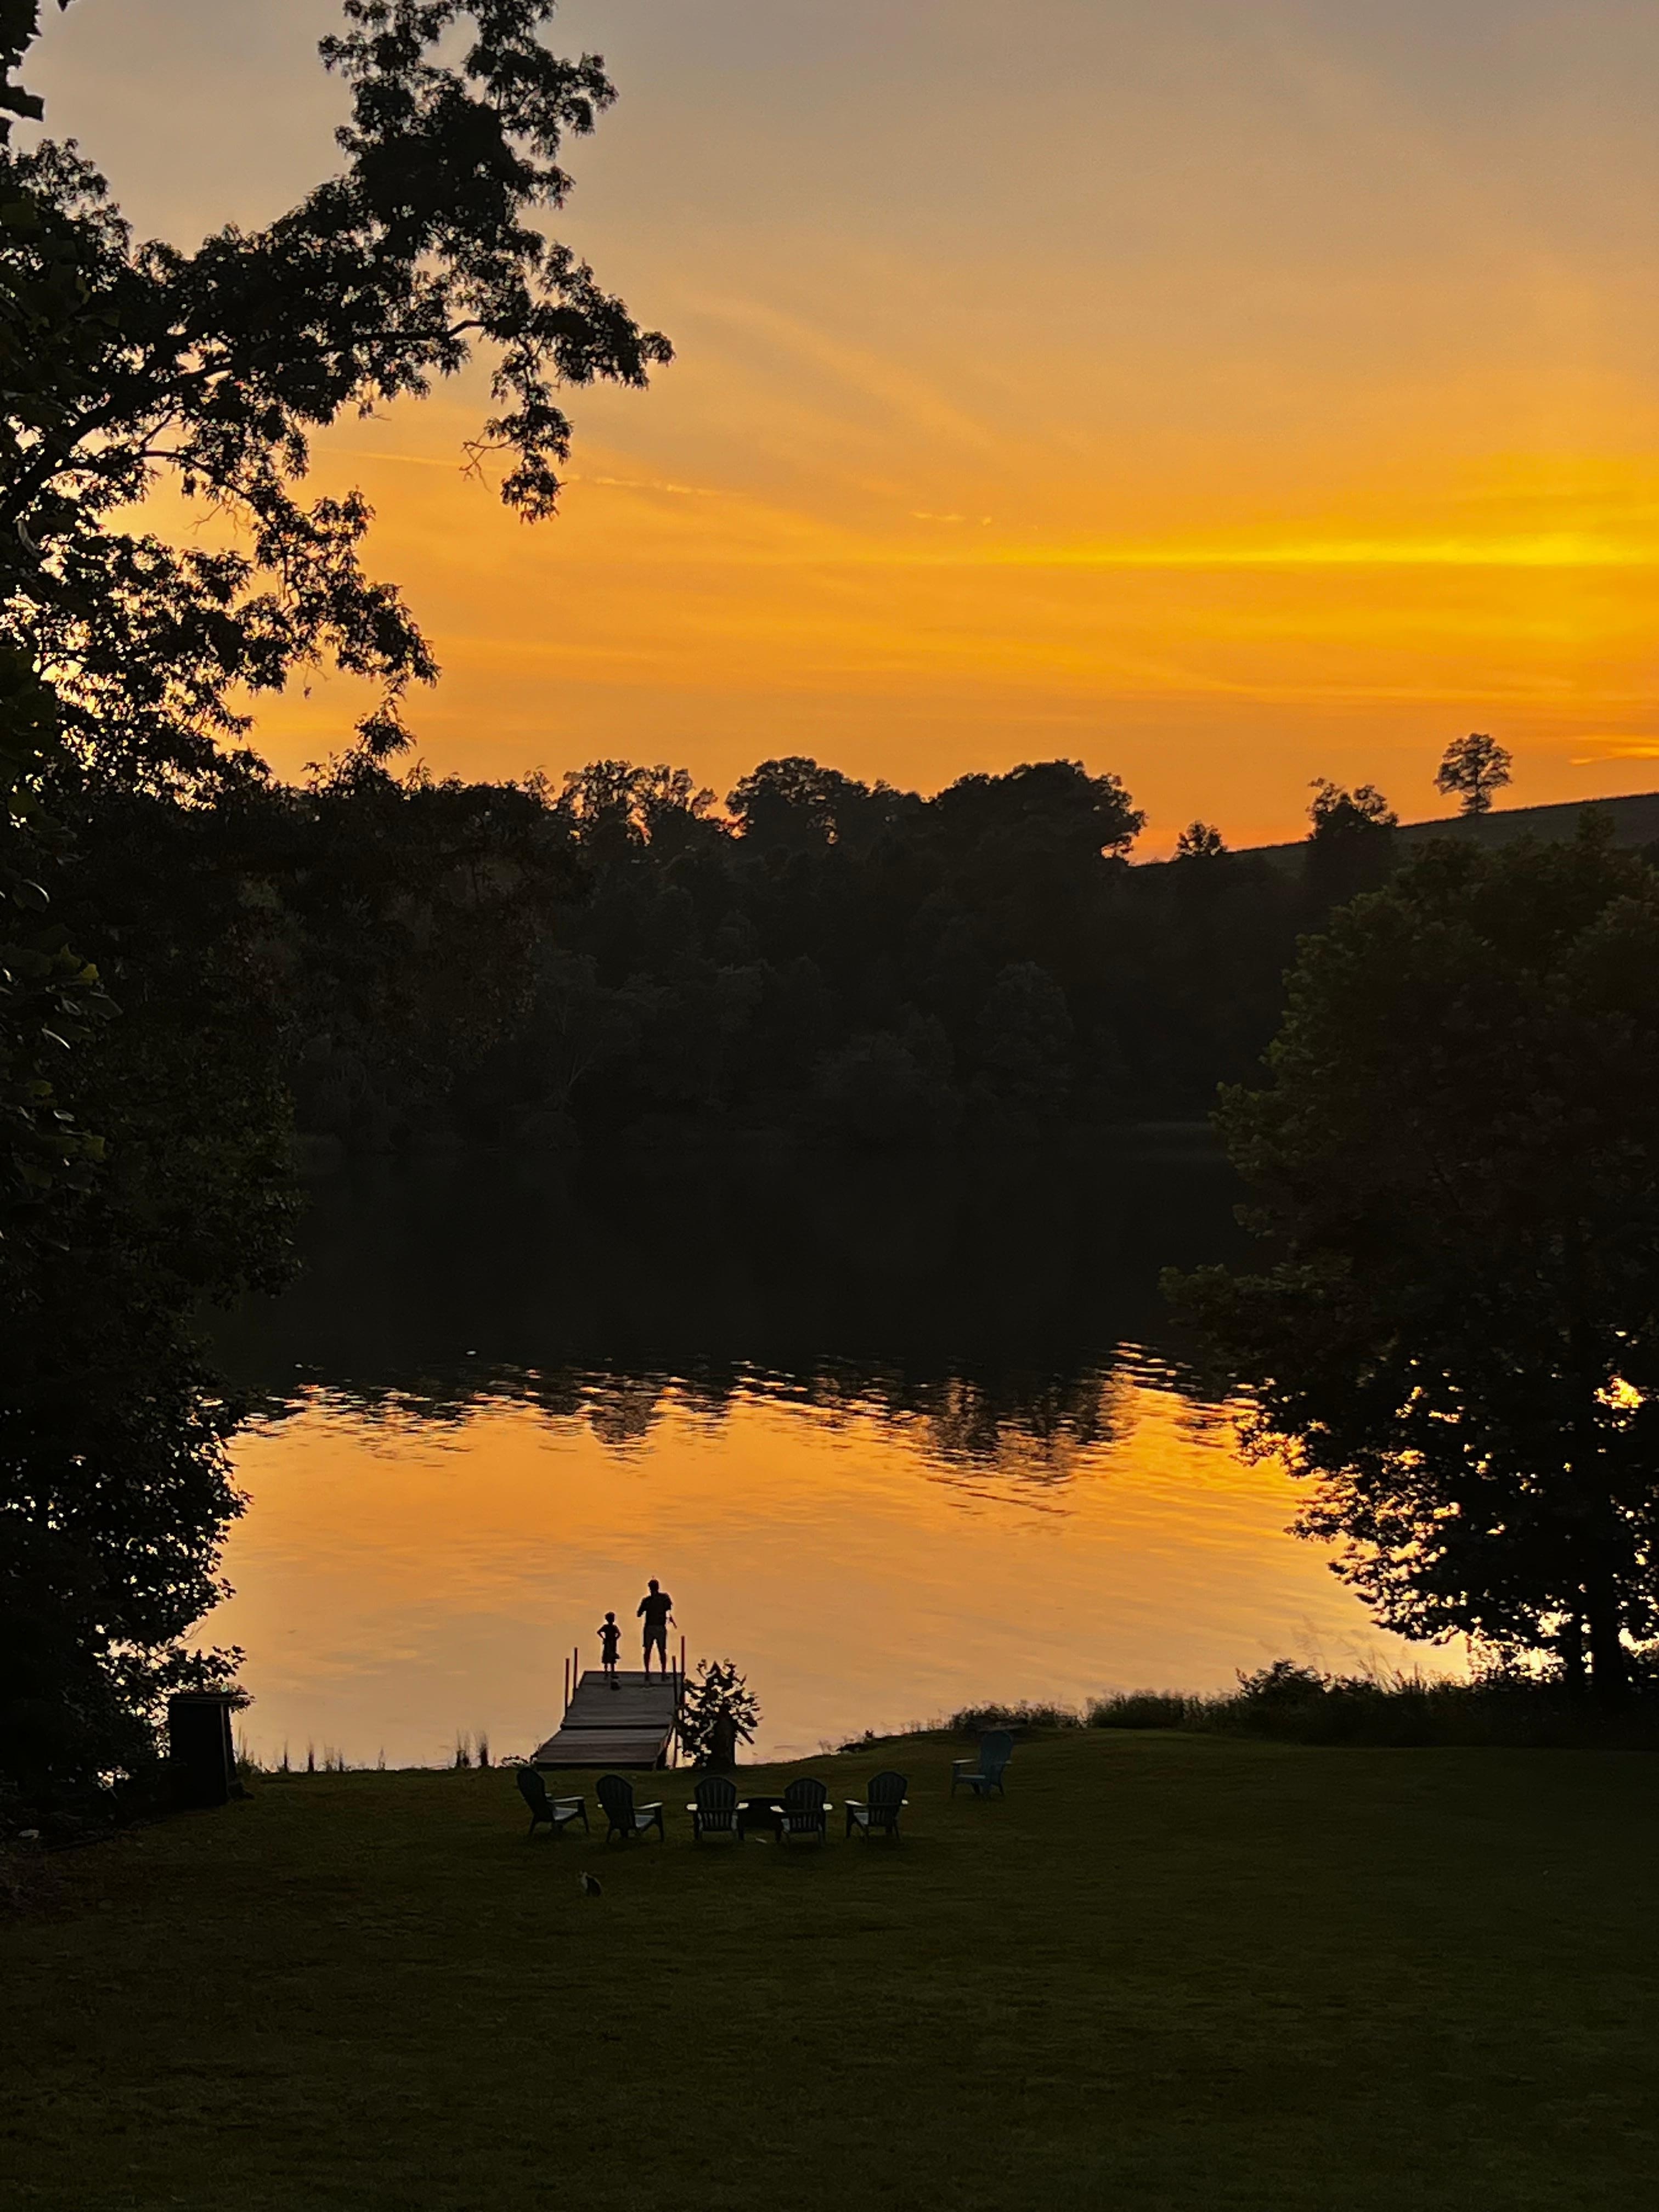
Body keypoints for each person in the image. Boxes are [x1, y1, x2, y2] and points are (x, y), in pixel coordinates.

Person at [636, 1578, 675, 1674]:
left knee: (649, 1650)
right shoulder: (663, 1598)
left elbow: (639, 1614)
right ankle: (663, 1671)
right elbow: (669, 1607)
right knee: (661, 1650)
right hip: (658, 1627)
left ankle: (648, 1671)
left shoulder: (647, 1600)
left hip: (651, 1627)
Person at [597, 1611, 622, 1685]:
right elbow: (599, 1632)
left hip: (611, 1643)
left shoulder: (612, 1627)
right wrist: (605, 1639)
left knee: (611, 1656)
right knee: (608, 1656)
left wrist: (614, 1639)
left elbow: (619, 1634)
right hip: (609, 1643)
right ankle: (608, 1672)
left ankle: (610, 1672)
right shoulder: (608, 1627)